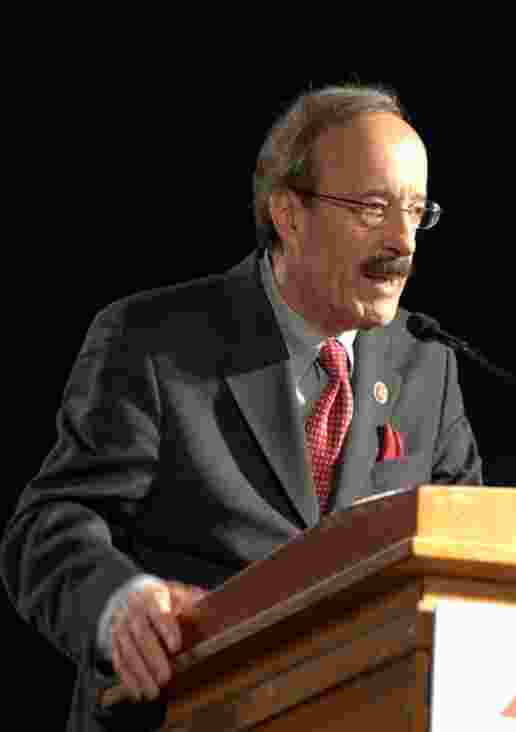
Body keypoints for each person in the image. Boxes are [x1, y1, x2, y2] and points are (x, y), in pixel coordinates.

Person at [1, 83, 482, 731]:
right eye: (373, 207)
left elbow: (469, 560)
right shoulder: (154, 340)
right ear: (289, 213)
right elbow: (49, 524)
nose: (404, 242)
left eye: (416, 211)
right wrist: (120, 604)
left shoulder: (428, 366)